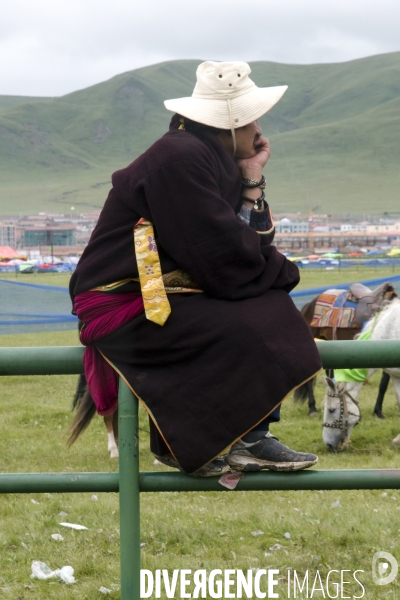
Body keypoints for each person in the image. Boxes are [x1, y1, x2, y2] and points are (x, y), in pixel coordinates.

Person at [69, 61, 322, 477]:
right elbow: (218, 251)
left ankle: (232, 437)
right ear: (232, 122)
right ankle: (241, 439)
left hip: (168, 289)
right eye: (252, 118)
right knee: (262, 315)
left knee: (267, 303)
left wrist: (252, 179)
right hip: (123, 299)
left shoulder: (206, 156)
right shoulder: (179, 158)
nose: (259, 128)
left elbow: (234, 245)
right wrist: (271, 270)